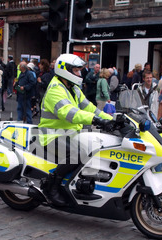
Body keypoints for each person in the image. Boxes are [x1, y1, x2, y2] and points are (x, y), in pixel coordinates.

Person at [38, 54, 113, 206]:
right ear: (65, 70)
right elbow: (69, 113)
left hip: (70, 134)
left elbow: (91, 108)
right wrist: (94, 120)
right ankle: (52, 187)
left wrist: (112, 119)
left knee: (96, 147)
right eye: (77, 71)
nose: (80, 74)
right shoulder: (55, 90)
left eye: (80, 71)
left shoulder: (73, 88)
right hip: (52, 135)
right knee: (76, 154)